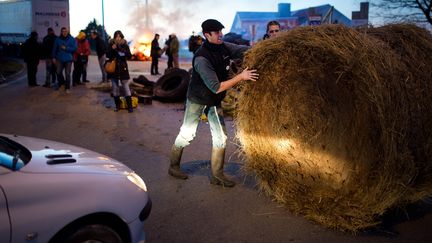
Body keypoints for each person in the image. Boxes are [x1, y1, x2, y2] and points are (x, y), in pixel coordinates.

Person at [168, 19, 259, 187]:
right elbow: (216, 87)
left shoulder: (223, 46)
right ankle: (174, 166)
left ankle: (217, 175)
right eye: (217, 32)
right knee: (187, 134)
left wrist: (262, 48)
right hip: (198, 99)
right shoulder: (202, 58)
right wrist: (241, 76)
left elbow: (242, 50)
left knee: (221, 137)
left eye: (221, 31)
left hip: (213, 101)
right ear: (207, 35)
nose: (220, 35)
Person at [106, 30, 133, 113]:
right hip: (114, 69)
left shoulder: (125, 45)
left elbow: (129, 56)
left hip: (123, 68)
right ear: (114, 37)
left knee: (126, 88)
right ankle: (117, 106)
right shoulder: (111, 44)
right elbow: (107, 55)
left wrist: (121, 50)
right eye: (116, 36)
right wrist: (112, 49)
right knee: (115, 89)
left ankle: (130, 107)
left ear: (121, 37)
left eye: (119, 36)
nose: (118, 38)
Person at [52, 27, 77, 93]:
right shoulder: (57, 39)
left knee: (67, 74)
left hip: (68, 59)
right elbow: (54, 48)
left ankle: (67, 87)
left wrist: (66, 48)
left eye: (65, 31)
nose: (64, 32)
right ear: (61, 32)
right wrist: (53, 57)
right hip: (60, 58)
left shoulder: (72, 39)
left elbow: (74, 48)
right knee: (58, 72)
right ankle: (62, 83)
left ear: (67, 32)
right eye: (63, 31)